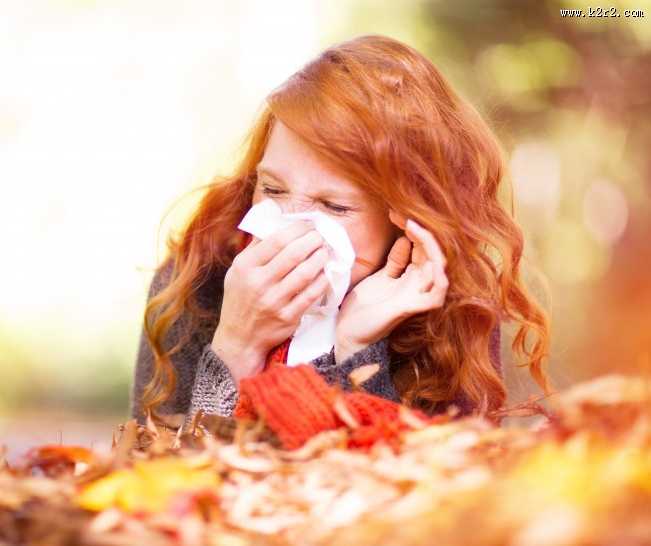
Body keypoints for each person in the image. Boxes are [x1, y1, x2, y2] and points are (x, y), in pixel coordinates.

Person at [130, 34, 551, 423]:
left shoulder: (453, 310)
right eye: (272, 189)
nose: (290, 227)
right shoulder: (197, 277)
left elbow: (424, 480)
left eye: (334, 206)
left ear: (406, 222)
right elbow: (159, 473)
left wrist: (355, 354)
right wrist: (236, 346)